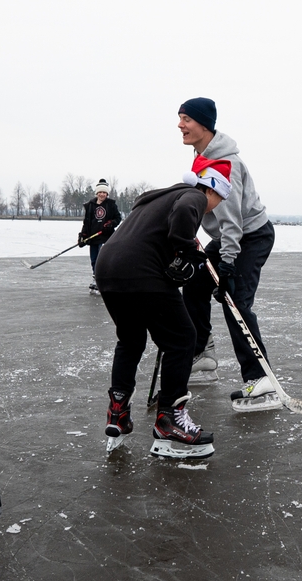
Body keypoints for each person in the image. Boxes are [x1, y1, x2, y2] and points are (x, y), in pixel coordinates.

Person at [96, 155, 231, 459]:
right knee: (183, 338)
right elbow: (184, 216)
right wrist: (186, 249)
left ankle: (117, 412)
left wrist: (182, 253)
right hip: (140, 271)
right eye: (220, 197)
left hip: (108, 269)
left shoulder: (157, 198)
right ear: (211, 189)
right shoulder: (193, 196)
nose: (217, 204)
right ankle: (169, 420)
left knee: (130, 339)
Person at [177, 97, 279, 410]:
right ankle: (203, 356)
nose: (180, 125)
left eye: (186, 119)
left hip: (251, 236)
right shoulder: (201, 158)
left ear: (204, 124)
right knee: (194, 286)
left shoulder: (225, 164)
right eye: (179, 118)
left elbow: (232, 221)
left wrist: (229, 266)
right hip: (227, 237)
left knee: (234, 299)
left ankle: (260, 380)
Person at [78, 178, 122, 293]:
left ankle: (103, 279)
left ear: (107, 193)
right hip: (93, 237)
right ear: (97, 193)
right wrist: (82, 235)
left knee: (102, 259)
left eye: (104, 192)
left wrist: (111, 223)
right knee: (94, 260)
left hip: (106, 237)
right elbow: (87, 222)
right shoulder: (90, 205)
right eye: (100, 192)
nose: (102, 194)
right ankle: (96, 278)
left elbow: (118, 218)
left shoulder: (111, 205)